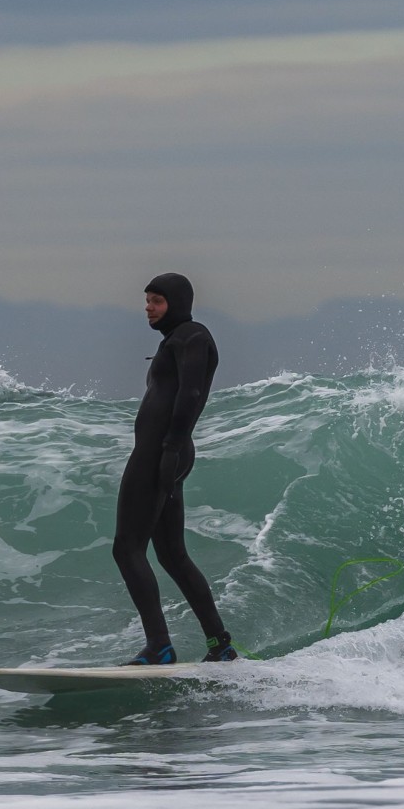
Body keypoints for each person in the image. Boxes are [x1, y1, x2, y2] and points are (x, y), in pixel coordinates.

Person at [113, 272, 237, 665]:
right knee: (171, 554)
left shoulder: (192, 336)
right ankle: (220, 645)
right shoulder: (176, 341)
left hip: (160, 453)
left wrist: (169, 448)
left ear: (178, 302)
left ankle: (159, 646)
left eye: (157, 300)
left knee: (127, 548)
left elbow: (191, 394)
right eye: (147, 300)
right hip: (166, 451)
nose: (148, 307)